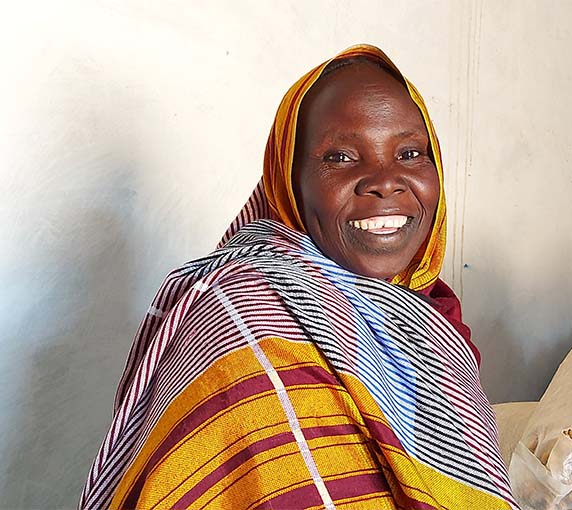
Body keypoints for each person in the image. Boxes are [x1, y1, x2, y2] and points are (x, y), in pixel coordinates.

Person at [81, 44, 515, 510]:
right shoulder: (238, 318)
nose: (385, 180)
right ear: (288, 178)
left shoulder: (435, 322)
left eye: (410, 152)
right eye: (341, 158)